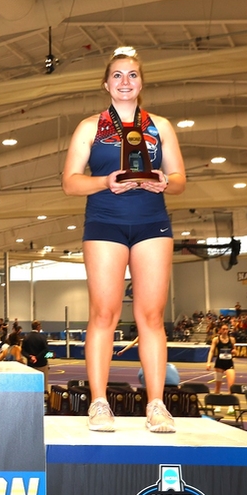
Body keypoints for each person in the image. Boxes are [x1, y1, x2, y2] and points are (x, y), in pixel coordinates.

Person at [62, 46, 186, 434]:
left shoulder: (160, 126)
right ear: (106, 84)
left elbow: (180, 179)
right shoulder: (89, 127)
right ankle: (98, 402)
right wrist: (104, 181)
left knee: (151, 316)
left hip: (152, 224)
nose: (125, 82)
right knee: (104, 313)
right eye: (117, 75)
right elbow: (69, 182)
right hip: (105, 224)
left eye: (132, 75)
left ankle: (156, 404)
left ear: (141, 83)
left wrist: (167, 181)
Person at [205, 324, 236, 394]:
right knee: (217, 387)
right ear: (220, 330)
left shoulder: (232, 340)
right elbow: (211, 351)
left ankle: (231, 402)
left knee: (232, 387)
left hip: (229, 363)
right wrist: (208, 362)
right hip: (219, 364)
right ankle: (215, 401)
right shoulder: (216, 340)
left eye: (226, 329)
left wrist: (234, 352)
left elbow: (234, 350)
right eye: (223, 329)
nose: (225, 331)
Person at [22, 321, 50, 392]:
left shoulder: (26, 337)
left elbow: (22, 351)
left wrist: (30, 357)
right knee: (43, 384)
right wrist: (37, 357)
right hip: (42, 364)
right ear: (38, 327)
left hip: (31, 365)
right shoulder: (42, 337)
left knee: (31, 384)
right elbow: (46, 350)